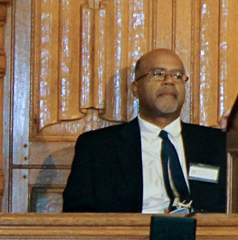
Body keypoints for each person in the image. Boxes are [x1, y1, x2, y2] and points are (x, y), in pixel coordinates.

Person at [62, 48, 228, 213]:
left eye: (177, 76)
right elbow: (76, 214)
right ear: (136, 88)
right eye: (157, 73)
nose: (169, 80)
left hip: (203, 236)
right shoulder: (97, 147)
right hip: (130, 236)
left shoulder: (216, 143)